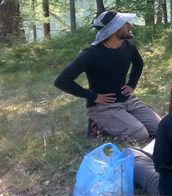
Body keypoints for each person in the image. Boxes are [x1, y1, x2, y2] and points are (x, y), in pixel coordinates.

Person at [54, 11, 161, 141]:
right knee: (140, 135)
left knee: (161, 128)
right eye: (125, 23)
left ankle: (124, 120)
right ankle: (99, 127)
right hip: (103, 107)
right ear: (114, 30)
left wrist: (131, 84)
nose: (130, 25)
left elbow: (138, 64)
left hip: (127, 100)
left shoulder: (128, 46)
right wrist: (94, 96)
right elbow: (62, 81)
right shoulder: (91, 54)